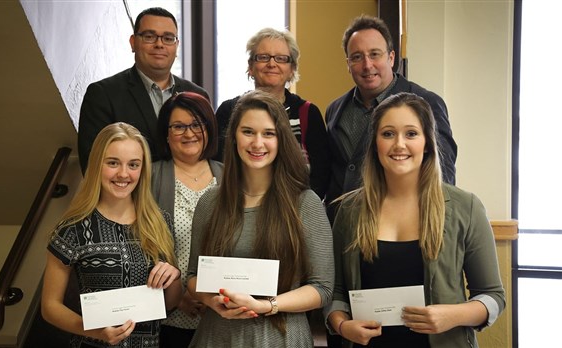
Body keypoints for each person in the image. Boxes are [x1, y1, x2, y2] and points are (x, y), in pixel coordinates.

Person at [324, 92, 505, 347]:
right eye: (388, 134)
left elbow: (493, 296)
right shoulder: (350, 209)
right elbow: (337, 292)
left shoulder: (467, 207)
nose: (399, 145)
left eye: (411, 134)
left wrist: (453, 316)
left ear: (427, 142)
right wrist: (342, 325)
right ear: (375, 144)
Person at [187, 90, 334, 347]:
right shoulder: (209, 202)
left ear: (281, 140)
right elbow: (192, 277)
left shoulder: (304, 203)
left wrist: (266, 306)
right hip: (218, 336)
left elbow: (322, 289)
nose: (257, 143)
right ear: (233, 137)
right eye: (248, 132)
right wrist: (213, 301)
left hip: (280, 337)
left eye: (268, 133)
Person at [42, 122, 183, 348]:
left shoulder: (160, 222)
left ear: (143, 169)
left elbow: (170, 305)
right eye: (113, 163)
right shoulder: (72, 228)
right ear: (97, 164)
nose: (123, 174)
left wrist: (173, 277)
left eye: (133, 164)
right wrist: (94, 331)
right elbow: (49, 307)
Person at [325, 15, 458, 222]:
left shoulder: (427, 102)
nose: (367, 65)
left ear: (391, 57)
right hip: (344, 229)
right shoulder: (335, 109)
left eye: (375, 54)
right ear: (348, 64)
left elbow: (444, 175)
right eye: (357, 57)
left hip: (403, 227)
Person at [78, 7, 210, 174]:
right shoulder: (103, 94)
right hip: (129, 198)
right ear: (133, 42)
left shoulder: (198, 95)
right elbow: (93, 165)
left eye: (168, 38)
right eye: (149, 36)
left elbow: (207, 155)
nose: (159, 44)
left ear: (177, 45)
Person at [214, 28, 330, 198]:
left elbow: (322, 174)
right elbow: (220, 166)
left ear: (292, 69)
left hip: (294, 211)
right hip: (239, 207)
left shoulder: (307, 113)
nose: (272, 64)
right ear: (251, 67)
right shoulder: (228, 111)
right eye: (263, 57)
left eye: (281, 59)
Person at [150, 92, 223, 347]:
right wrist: (177, 296)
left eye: (196, 124)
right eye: (179, 126)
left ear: (209, 129)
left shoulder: (230, 178)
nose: (189, 133)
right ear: (166, 134)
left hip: (222, 316)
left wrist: (212, 297)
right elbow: (137, 245)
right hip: (170, 318)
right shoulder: (150, 177)